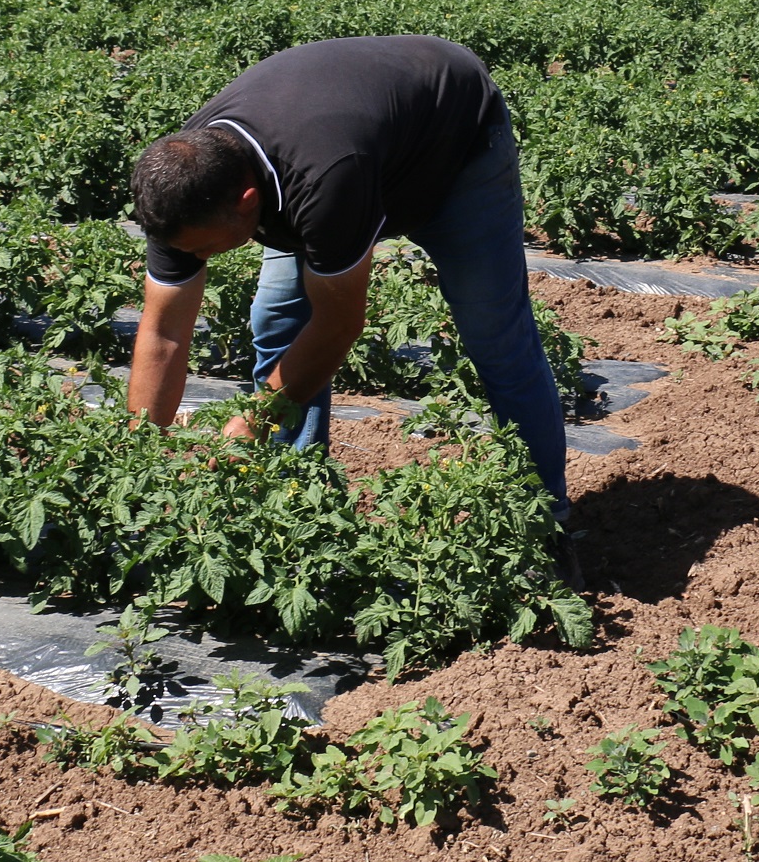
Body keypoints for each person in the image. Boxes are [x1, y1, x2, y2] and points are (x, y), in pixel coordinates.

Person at [123, 34, 575, 546]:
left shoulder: (322, 178)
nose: (197, 258)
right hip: (354, 145)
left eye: (206, 248)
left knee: (495, 336)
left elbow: (339, 325)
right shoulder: (184, 190)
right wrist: (141, 464)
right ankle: (289, 500)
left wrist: (253, 418)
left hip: (454, 145)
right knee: (277, 318)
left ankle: (544, 523)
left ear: (247, 202)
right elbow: (162, 333)